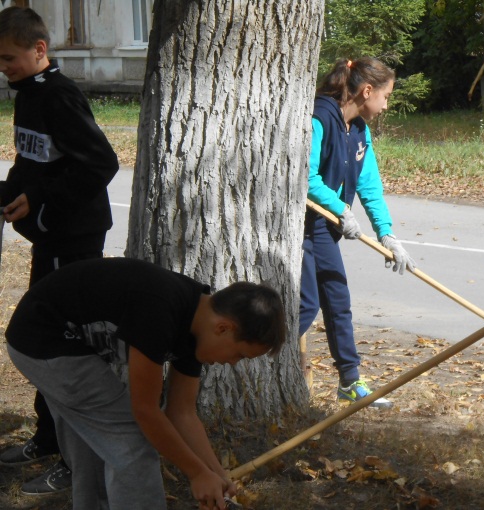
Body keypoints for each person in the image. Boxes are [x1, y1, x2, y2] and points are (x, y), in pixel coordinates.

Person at [5, 257, 286, 510]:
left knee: (97, 444)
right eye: (239, 354)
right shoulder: (160, 308)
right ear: (223, 328)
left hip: (61, 342)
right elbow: (145, 410)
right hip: (43, 339)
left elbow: (182, 413)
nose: (233, 363)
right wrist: (197, 473)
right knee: (131, 442)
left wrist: (216, 475)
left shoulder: (198, 327)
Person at [0, 6, 119, 495]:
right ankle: (49, 438)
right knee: (44, 339)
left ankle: (77, 460)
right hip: (48, 240)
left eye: (9, 58)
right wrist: (12, 192)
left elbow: (101, 163)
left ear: (39, 49)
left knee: (63, 350)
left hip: (74, 243)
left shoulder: (60, 96)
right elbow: (33, 159)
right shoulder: (28, 94)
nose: (3, 68)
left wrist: (44, 202)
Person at [300, 57, 416, 408]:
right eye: (386, 96)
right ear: (367, 91)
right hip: (304, 224)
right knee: (307, 304)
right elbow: (306, 177)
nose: (386, 104)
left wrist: (387, 234)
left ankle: (350, 382)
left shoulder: (360, 131)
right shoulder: (320, 118)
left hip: (325, 226)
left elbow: (370, 186)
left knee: (336, 300)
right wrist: (340, 208)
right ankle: (259, 361)